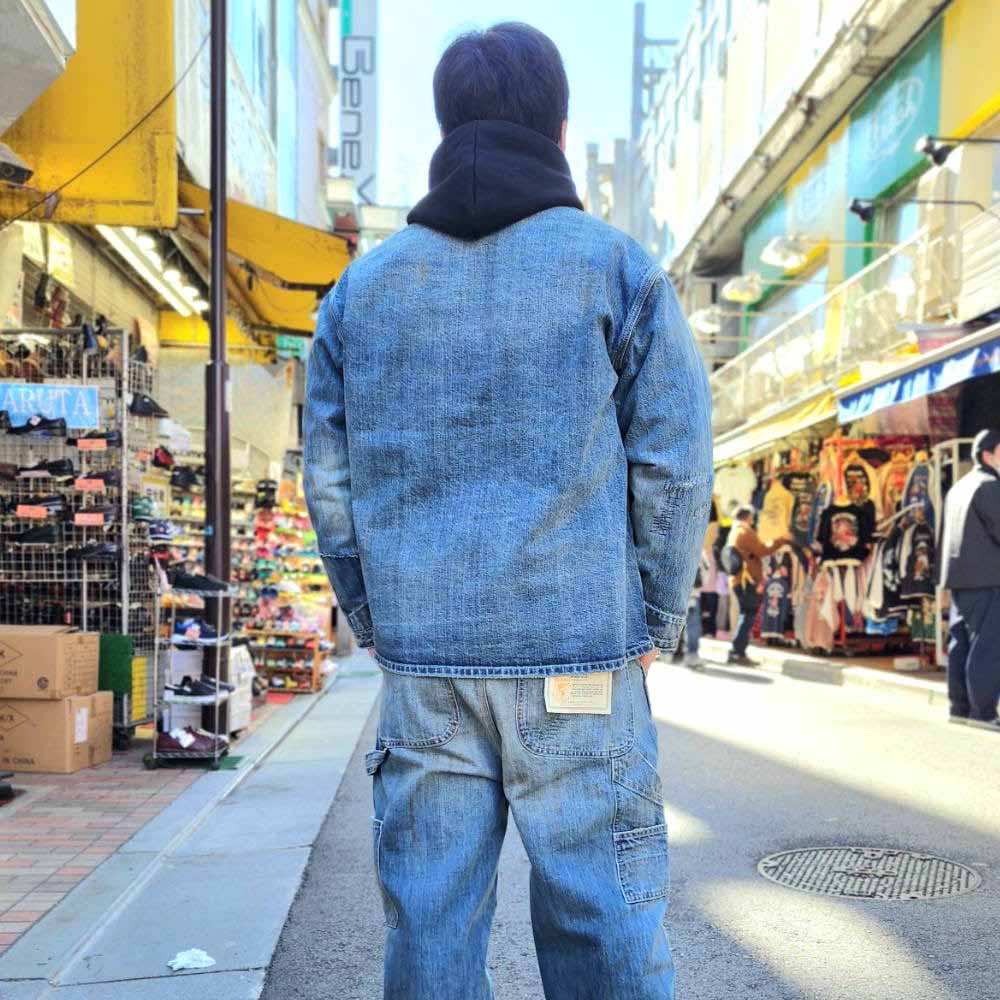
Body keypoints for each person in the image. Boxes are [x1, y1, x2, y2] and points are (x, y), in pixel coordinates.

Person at [303, 22, 712, 1000]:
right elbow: (672, 462)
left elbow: (331, 482)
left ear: (444, 126)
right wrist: (653, 617)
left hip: (426, 663)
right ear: (559, 130)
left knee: (431, 931)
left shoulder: (360, 293)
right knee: (605, 929)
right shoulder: (618, 269)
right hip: (582, 653)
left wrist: (374, 619)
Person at [940, 427, 1000, 732]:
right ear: (988, 455)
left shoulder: (959, 487)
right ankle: (982, 712)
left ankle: (960, 707)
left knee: (961, 644)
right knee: (987, 647)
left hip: (960, 581)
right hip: (989, 579)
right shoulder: (990, 486)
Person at [725, 505, 787, 666]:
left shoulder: (735, 531)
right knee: (748, 615)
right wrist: (781, 540)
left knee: (745, 614)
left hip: (740, 580)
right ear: (748, 517)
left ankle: (737, 651)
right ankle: (737, 652)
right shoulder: (745, 532)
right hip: (746, 581)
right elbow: (762, 550)